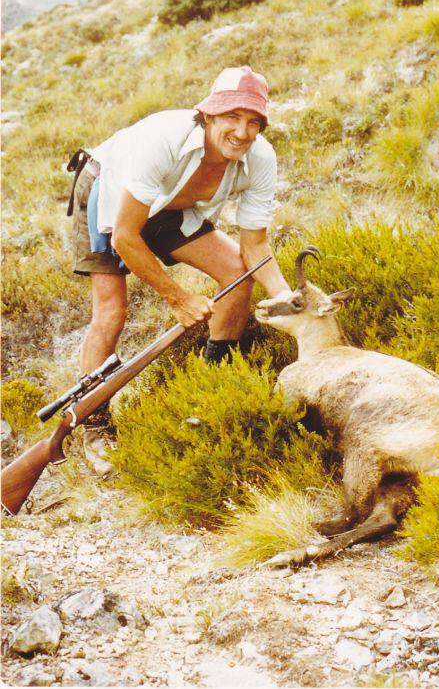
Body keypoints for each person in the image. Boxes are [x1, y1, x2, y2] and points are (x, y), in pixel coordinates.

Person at [69, 65, 291, 475]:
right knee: (112, 311)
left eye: (253, 122)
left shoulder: (259, 159)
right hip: (109, 194)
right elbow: (125, 236)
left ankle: (210, 390)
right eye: (232, 117)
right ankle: (95, 426)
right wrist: (179, 298)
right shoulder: (162, 142)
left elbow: (256, 245)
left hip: (170, 205)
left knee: (237, 275)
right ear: (208, 115)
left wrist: (287, 299)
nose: (242, 132)